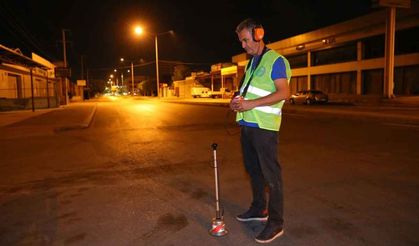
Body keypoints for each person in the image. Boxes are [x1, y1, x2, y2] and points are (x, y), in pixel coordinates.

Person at [230, 18, 291, 244]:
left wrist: (250, 105)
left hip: (264, 128)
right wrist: (237, 101)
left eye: (245, 40)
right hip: (247, 125)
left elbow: (284, 92)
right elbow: (247, 92)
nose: (243, 45)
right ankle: (258, 208)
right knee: (253, 171)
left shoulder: (276, 61)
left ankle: (276, 224)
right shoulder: (251, 63)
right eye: (241, 41)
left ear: (258, 34)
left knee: (271, 176)